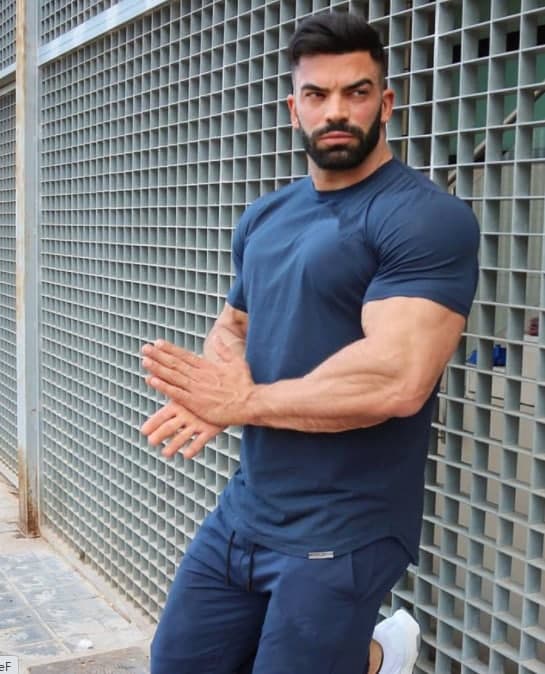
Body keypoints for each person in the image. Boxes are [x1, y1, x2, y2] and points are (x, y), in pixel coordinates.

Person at [141, 11, 479, 674]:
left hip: (346, 527)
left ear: (386, 103)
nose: (336, 111)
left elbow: (396, 378)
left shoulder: (424, 218)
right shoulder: (266, 216)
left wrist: (240, 403)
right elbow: (234, 324)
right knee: (175, 663)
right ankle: (371, 657)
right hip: (247, 508)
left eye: (356, 92)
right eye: (317, 95)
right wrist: (220, 384)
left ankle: (372, 655)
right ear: (294, 108)